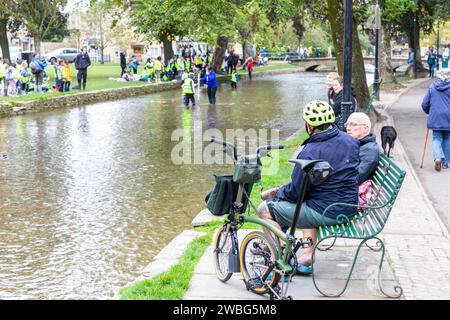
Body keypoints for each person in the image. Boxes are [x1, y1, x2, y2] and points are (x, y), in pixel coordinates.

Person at [257, 100, 359, 273]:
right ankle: (304, 254)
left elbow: (296, 193)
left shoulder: (310, 152)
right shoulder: (350, 141)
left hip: (327, 211)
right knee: (305, 203)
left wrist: (276, 193)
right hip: (348, 206)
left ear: (310, 126)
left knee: (264, 209)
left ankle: (280, 253)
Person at [421, 69, 450, 171]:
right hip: (448, 117)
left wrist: (430, 112)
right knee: (447, 138)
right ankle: (445, 162)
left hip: (436, 117)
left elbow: (424, 104)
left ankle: (437, 158)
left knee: (436, 138)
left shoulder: (432, 87)